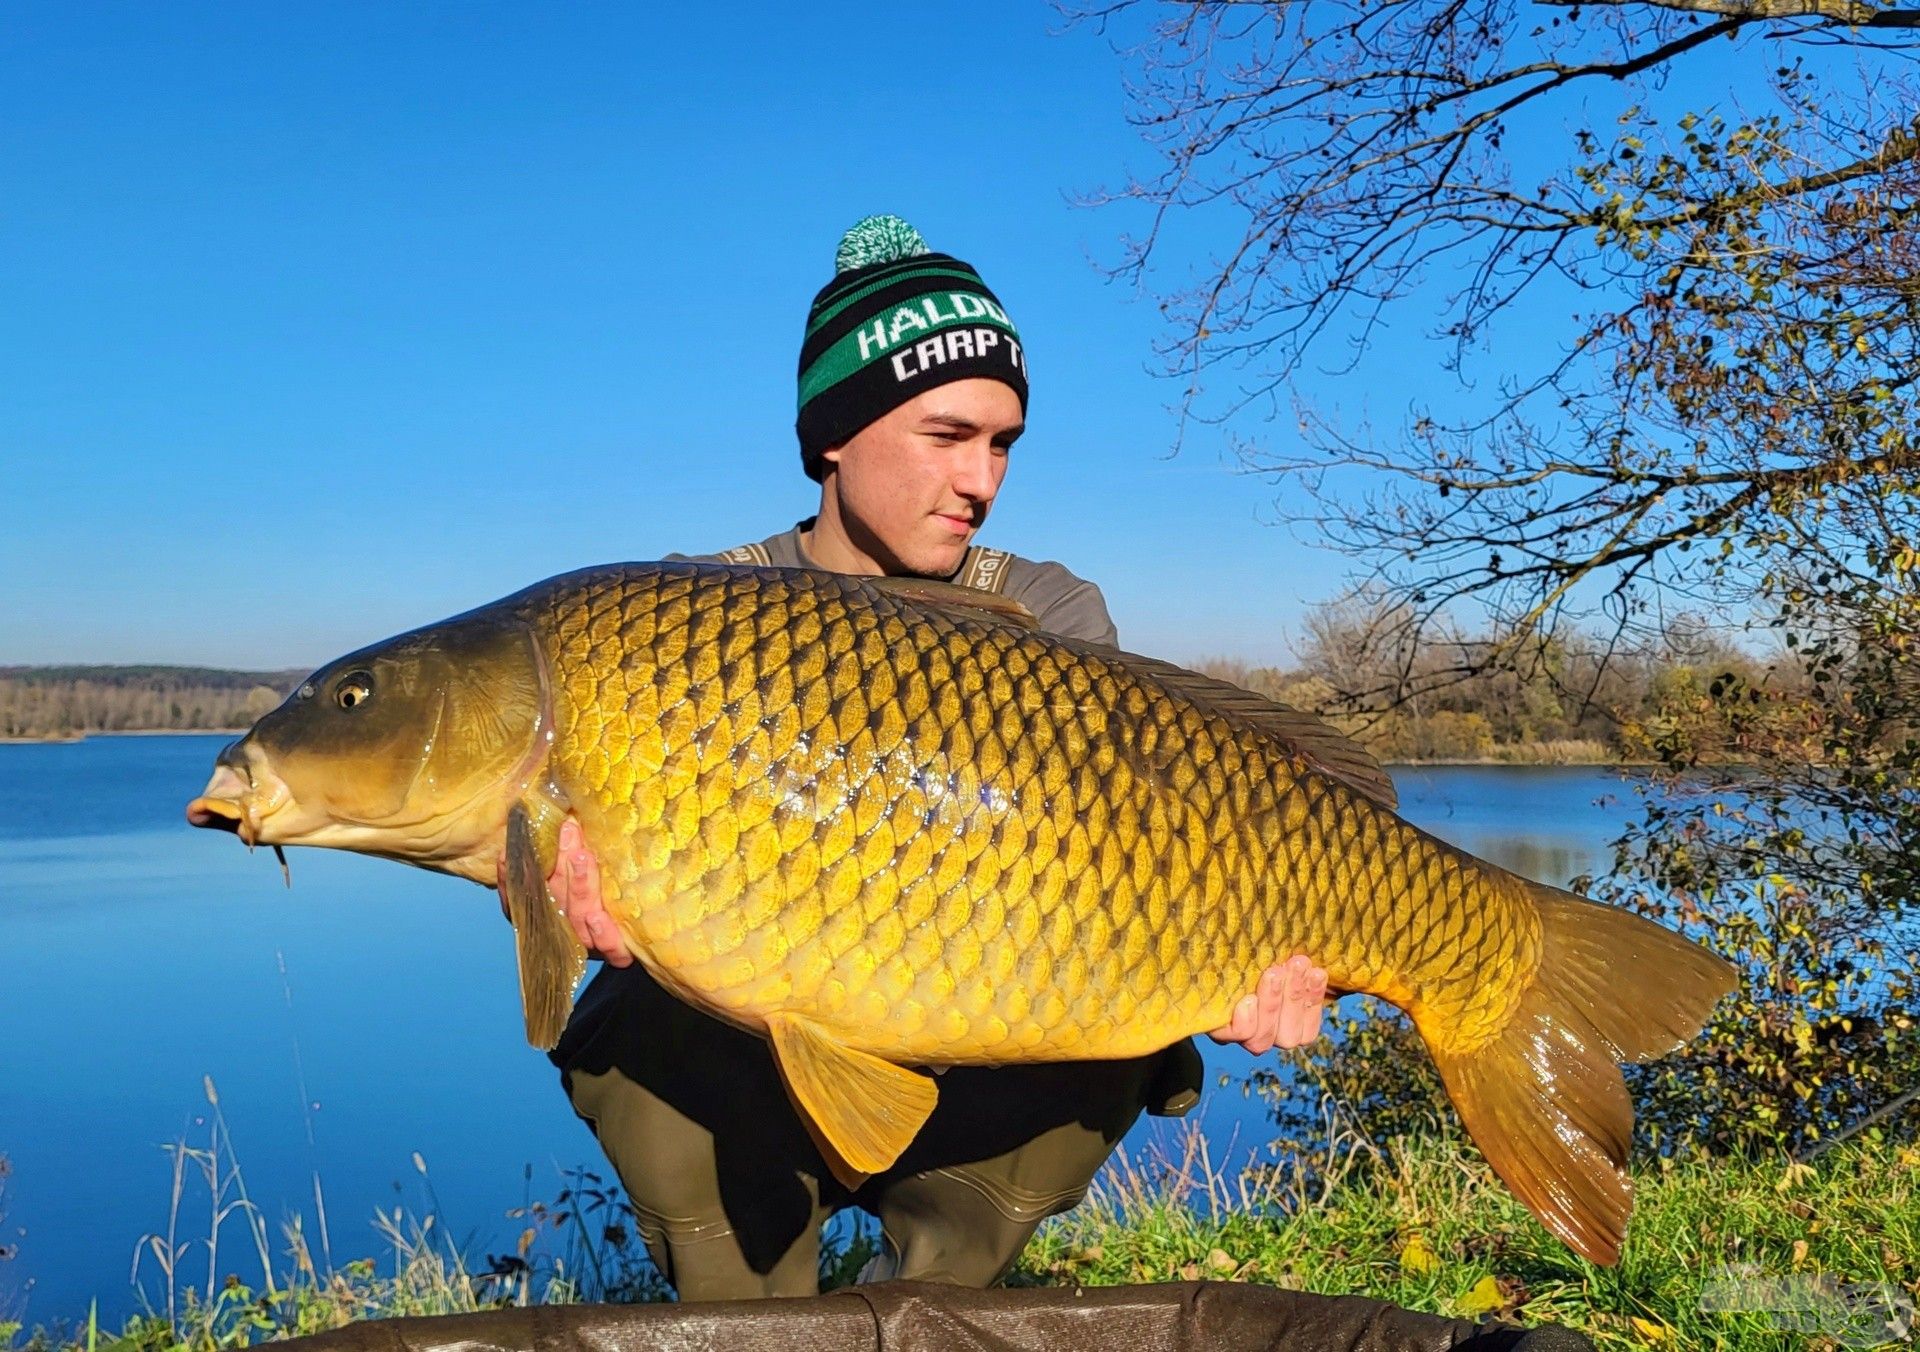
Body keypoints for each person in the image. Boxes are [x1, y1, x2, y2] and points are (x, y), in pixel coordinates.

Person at [521, 216, 1331, 1300]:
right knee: (626, 1013)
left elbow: (1139, 867)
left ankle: (941, 1300)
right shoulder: (682, 614)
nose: (983, 480)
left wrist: (1242, 950)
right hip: (748, 1055)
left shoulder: (1045, 609)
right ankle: (743, 1307)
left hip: (982, 1030)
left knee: (1130, 1025)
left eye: (1002, 443)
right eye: (948, 436)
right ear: (834, 436)